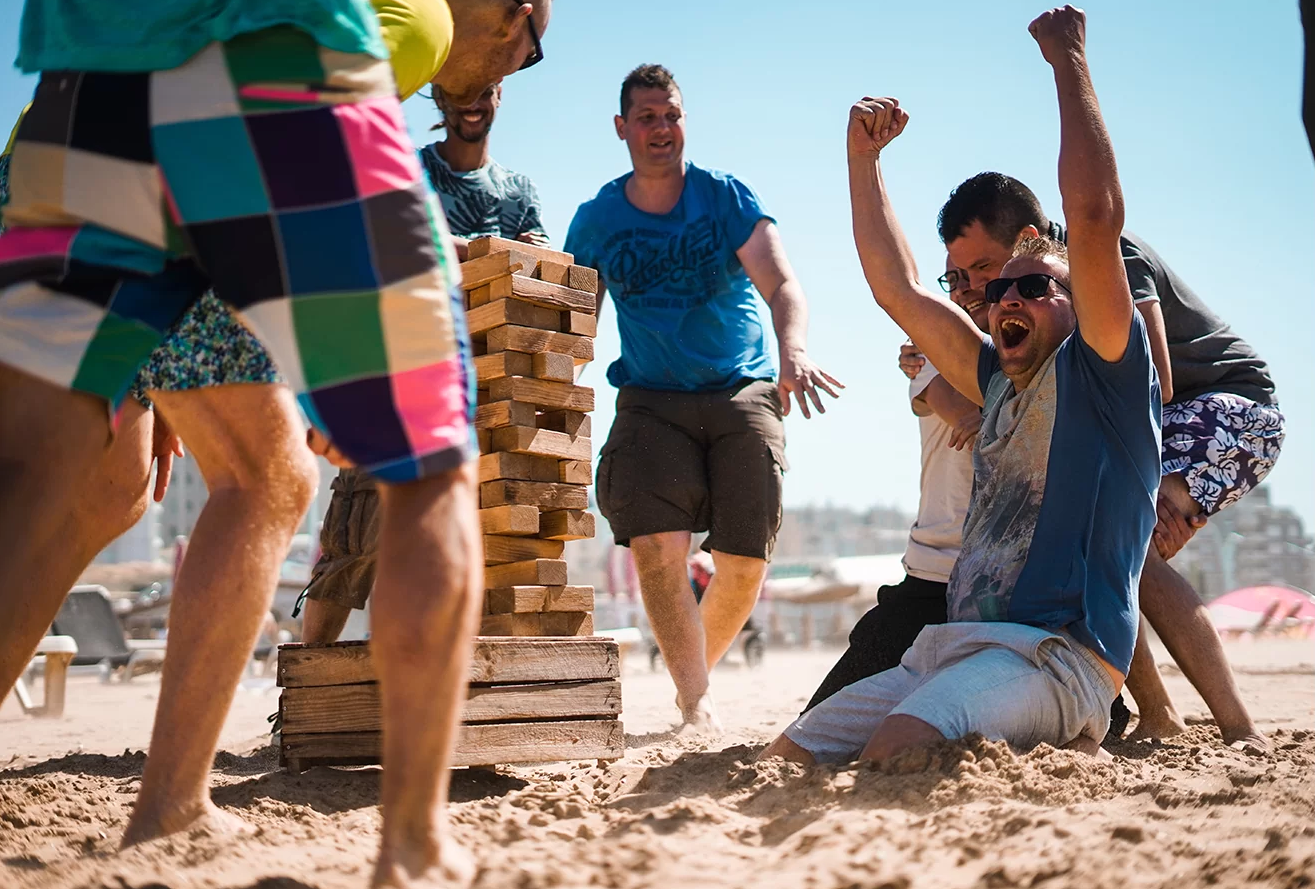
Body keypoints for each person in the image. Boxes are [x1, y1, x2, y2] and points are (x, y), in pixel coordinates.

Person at [0, 3, 550, 888]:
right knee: (425, 463)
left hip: (84, 78)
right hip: (280, 49)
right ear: (518, 15)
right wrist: (336, 364)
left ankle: (177, 799)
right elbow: (268, 155)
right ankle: (410, 844)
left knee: (30, 482)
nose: (507, 74)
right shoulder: (416, 25)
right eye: (530, 51)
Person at [764, 4, 1160, 765]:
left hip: (1054, 657)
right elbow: (896, 287)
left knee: (899, 747)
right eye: (998, 289)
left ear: (1077, 304)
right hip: (949, 646)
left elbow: (1092, 212)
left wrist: (1065, 60)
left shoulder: (1103, 371)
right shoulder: (995, 377)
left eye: (1033, 286)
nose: (1006, 296)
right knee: (791, 752)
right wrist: (862, 161)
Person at [898, 174, 1282, 749]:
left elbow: (1158, 377)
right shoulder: (1024, 299)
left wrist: (1141, 490)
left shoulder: (1102, 260)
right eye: (960, 277)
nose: (975, 290)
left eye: (983, 270)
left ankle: (1234, 725)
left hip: (1228, 411)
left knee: (1127, 551)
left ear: (1028, 239)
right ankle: (1160, 711)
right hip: (1161, 417)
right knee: (1104, 551)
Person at [563, 64, 843, 732]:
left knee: (743, 563)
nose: (663, 129)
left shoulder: (723, 197)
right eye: (649, 117)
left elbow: (782, 285)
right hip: (650, 399)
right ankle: (695, 702)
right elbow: (573, 317)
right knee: (657, 546)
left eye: (672, 115)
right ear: (622, 128)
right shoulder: (598, 218)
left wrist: (793, 350)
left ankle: (692, 672)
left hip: (740, 389)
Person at [300, 79, 554, 645]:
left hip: (489, 384)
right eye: (458, 90)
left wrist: (463, 250)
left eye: (484, 88)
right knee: (354, 537)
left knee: (493, 540)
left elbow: (539, 267)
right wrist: (485, 251)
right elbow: (403, 247)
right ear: (436, 97)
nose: (472, 101)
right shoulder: (410, 172)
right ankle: (300, 690)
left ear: (501, 95)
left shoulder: (518, 189)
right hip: (395, 368)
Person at [800, 256, 982, 713]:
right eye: (953, 279)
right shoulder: (930, 349)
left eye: (979, 271)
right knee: (820, 722)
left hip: (1018, 586)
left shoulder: (1053, 356)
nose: (961, 291)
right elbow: (962, 413)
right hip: (934, 578)